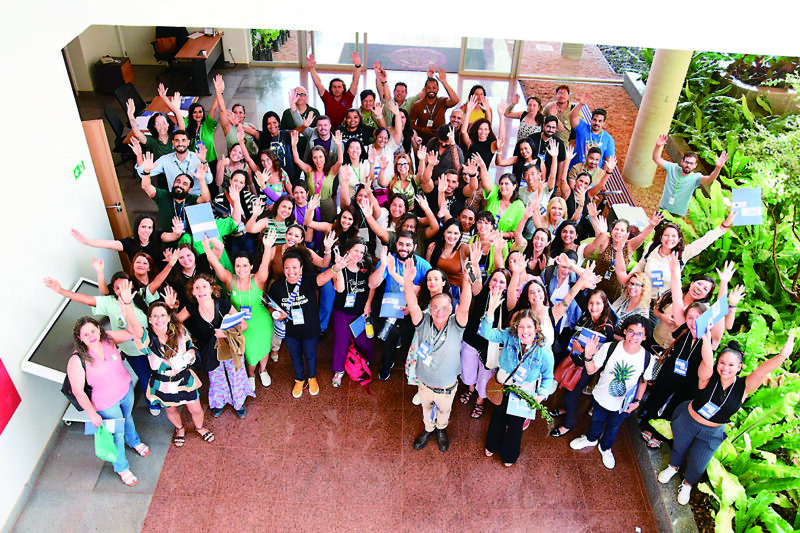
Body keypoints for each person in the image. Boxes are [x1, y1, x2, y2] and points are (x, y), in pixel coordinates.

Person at [658, 333, 794, 505]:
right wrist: (706, 340)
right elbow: (707, 361)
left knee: (699, 464)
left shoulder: (744, 386)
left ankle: (687, 484)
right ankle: (673, 467)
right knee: (679, 447)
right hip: (688, 420)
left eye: (731, 365)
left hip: (712, 431)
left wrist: (782, 356)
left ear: (739, 367)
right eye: (722, 363)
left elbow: (763, 370)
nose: (725, 368)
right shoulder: (707, 376)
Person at [638, 258, 742, 448]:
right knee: (658, 396)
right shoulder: (684, 326)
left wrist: (724, 284)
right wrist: (674, 270)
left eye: (699, 318)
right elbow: (678, 297)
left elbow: (720, 314)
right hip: (671, 370)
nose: (694, 321)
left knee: (677, 405)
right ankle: (646, 423)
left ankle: (660, 435)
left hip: (693, 379)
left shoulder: (712, 336)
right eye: (691, 317)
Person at [66, 311, 150, 487]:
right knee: (116, 435)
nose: (91, 336)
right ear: (79, 338)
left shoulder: (108, 339)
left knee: (128, 418)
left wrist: (125, 308)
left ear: (99, 329)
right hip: (105, 404)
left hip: (126, 391)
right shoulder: (77, 359)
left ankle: (133, 441)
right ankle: (122, 468)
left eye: (93, 331)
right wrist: (92, 415)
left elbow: (130, 332)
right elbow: (78, 391)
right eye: (85, 334)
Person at [402, 255, 472, 452]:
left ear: (451, 309)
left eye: (444, 308)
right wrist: (408, 282)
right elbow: (413, 304)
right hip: (424, 383)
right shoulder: (423, 322)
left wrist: (466, 279)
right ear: (430, 310)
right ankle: (428, 429)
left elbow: (465, 305)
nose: (439, 312)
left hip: (447, 387)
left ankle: (441, 429)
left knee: (444, 412)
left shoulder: (456, 325)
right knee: (426, 411)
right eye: (435, 308)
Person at [479, 287, 555, 466]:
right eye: (521, 326)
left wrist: (541, 395)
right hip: (503, 384)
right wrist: (490, 310)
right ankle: (492, 444)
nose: (524, 331)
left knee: (516, 425)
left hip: (525, 392)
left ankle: (509, 455)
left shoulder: (544, 351)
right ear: (516, 327)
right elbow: (486, 333)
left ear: (536, 328)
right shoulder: (509, 336)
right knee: (498, 417)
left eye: (529, 327)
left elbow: (548, 377)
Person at [569, 315, 656, 469]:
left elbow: (643, 381)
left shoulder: (647, 358)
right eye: (631, 331)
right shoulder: (610, 347)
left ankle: (605, 447)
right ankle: (591, 439)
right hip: (601, 397)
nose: (634, 337)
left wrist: (637, 402)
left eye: (639, 334)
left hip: (623, 405)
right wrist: (588, 356)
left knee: (613, 426)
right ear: (624, 331)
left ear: (645, 337)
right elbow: (591, 371)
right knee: (596, 420)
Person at [202, 231, 276, 392]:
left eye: (245, 265)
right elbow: (216, 264)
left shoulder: (258, 278)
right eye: (238, 265)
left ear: (250, 266)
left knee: (263, 348)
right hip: (240, 324)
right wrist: (206, 248)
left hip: (261, 321)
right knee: (247, 351)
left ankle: (263, 370)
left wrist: (268, 246)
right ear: (234, 267)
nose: (241, 269)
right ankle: (250, 375)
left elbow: (265, 265)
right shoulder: (230, 280)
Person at [130, 298, 210, 448]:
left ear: (168, 317)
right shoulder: (147, 338)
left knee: (196, 409)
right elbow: (135, 327)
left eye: (162, 315)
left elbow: (190, 345)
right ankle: (180, 429)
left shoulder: (179, 330)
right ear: (149, 319)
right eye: (154, 316)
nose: (159, 319)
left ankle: (199, 428)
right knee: (171, 409)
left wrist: (191, 353)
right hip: (163, 383)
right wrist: (128, 305)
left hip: (183, 379)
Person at [176, 274, 255, 418]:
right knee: (216, 377)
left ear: (212, 288)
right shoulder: (191, 308)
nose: (201, 290)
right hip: (209, 350)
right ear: (192, 292)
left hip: (229, 347)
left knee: (236, 375)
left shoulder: (224, 304)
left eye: (204, 286)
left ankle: (239, 402)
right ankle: (218, 402)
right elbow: (175, 323)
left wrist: (225, 333)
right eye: (197, 288)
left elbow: (244, 325)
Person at [615, 209, 736, 302]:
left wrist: (724, 226)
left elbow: (704, 241)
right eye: (666, 235)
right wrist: (627, 281)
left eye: (674, 236)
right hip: (640, 298)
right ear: (661, 237)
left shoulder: (682, 254)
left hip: (661, 304)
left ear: (679, 240)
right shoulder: (651, 248)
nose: (669, 239)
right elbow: (641, 265)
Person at [268, 249, 332, 398]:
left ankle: (312, 377)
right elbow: (270, 306)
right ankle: (299, 379)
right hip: (290, 331)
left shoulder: (308, 280)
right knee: (295, 355)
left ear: (301, 268)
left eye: (295, 267)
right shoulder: (277, 286)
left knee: (310, 354)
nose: (291, 271)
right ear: (283, 269)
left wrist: (336, 268)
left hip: (310, 329)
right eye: (287, 267)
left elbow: (323, 278)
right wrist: (276, 314)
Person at [368, 231, 432, 381]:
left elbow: (428, 291)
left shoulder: (423, 265)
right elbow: (372, 283)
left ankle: (407, 364)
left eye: (408, 245)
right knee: (389, 338)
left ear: (415, 246)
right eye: (401, 244)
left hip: (412, 310)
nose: (404, 248)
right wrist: (383, 265)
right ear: (396, 245)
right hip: (391, 308)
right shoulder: (389, 260)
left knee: (408, 339)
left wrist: (413, 307)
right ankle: (387, 363)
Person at [459, 262, 507, 419]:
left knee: (486, 375)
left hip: (490, 347)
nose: (497, 284)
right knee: (468, 369)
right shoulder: (481, 292)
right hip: (471, 340)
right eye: (494, 280)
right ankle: (470, 389)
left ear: (507, 286)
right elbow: (475, 278)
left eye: (502, 282)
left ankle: (480, 399)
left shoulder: (507, 302)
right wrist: (473, 261)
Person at [328, 238, 376, 387]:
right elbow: (340, 288)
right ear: (348, 250)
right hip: (342, 312)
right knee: (341, 342)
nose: (358, 255)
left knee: (363, 339)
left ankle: (363, 361)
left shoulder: (366, 266)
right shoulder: (338, 267)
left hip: (360, 312)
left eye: (361, 252)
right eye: (356, 250)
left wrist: (368, 304)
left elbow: (372, 286)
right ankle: (339, 371)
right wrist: (341, 268)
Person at [653, 133, 729, 216]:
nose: (688, 165)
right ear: (682, 161)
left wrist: (718, 168)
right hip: (663, 209)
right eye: (687, 162)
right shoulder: (672, 168)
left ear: (695, 165)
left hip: (678, 214)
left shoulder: (696, 178)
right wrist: (657, 146)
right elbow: (656, 159)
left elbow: (709, 179)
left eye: (691, 163)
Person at [137, 156, 211, 233]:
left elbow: (205, 199)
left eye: (185, 184)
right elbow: (146, 187)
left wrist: (202, 180)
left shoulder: (192, 198)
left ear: (189, 189)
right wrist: (146, 171)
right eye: (178, 181)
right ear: (173, 183)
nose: (180, 185)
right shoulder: (163, 195)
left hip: (187, 240)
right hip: (168, 240)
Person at [71, 214, 173, 269]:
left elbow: (172, 236)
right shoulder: (129, 243)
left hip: (161, 272)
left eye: (150, 227)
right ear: (137, 228)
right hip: (143, 277)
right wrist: (87, 242)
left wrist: (177, 232)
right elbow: (108, 244)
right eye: (143, 227)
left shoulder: (157, 236)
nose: (147, 230)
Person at [131, 130, 213, 197]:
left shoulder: (198, 158)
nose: (180, 144)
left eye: (183, 140)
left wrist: (203, 161)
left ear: (188, 142)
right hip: (176, 198)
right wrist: (139, 154)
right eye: (177, 141)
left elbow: (209, 180)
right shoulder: (165, 160)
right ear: (173, 143)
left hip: (197, 198)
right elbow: (142, 174)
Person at [291, 129, 344, 222]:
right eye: (315, 157)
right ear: (312, 159)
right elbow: (297, 160)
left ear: (325, 157)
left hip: (328, 206)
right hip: (312, 205)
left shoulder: (331, 171)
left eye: (320, 157)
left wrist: (339, 145)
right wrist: (294, 145)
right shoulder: (309, 170)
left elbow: (340, 161)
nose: (318, 160)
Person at [307, 51, 362, 130]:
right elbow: (318, 83)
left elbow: (355, 81)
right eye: (334, 87)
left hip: (346, 130)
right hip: (329, 131)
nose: (337, 89)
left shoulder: (349, 96)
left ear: (343, 88)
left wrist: (358, 66)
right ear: (331, 89)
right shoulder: (327, 97)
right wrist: (311, 68)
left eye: (339, 87)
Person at [408, 70, 459, 144]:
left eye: (434, 88)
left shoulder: (442, 101)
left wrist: (444, 82)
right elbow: (410, 123)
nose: (431, 90)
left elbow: (455, 100)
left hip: (440, 141)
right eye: (429, 88)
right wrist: (423, 129)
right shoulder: (417, 105)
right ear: (425, 89)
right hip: (422, 141)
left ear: (438, 89)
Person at [569, 97, 615, 169]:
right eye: (595, 120)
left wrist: (601, 176)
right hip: (576, 169)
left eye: (600, 121)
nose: (596, 123)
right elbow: (572, 117)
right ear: (591, 120)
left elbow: (608, 161)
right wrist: (580, 104)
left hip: (593, 174)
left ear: (604, 123)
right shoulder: (582, 128)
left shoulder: (608, 139)